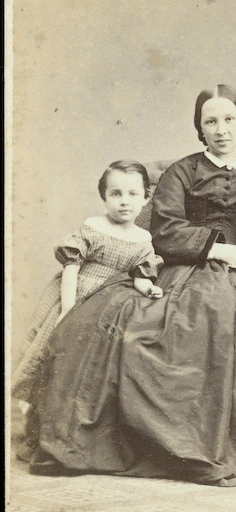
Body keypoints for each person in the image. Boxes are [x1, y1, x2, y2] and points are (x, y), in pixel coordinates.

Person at [29, 85, 236, 484]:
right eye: (210, 121)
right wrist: (217, 251)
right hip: (188, 265)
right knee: (157, 328)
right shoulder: (182, 171)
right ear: (200, 128)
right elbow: (165, 228)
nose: (221, 129)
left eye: (229, 119)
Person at [13, 160, 163, 459]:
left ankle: (69, 427)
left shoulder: (143, 239)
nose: (124, 201)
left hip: (103, 306)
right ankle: (35, 419)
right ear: (104, 196)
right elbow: (72, 267)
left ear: (146, 198)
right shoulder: (93, 227)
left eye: (133, 194)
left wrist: (150, 288)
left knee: (82, 367)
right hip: (73, 296)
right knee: (51, 357)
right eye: (116, 193)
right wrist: (68, 307)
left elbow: (139, 276)